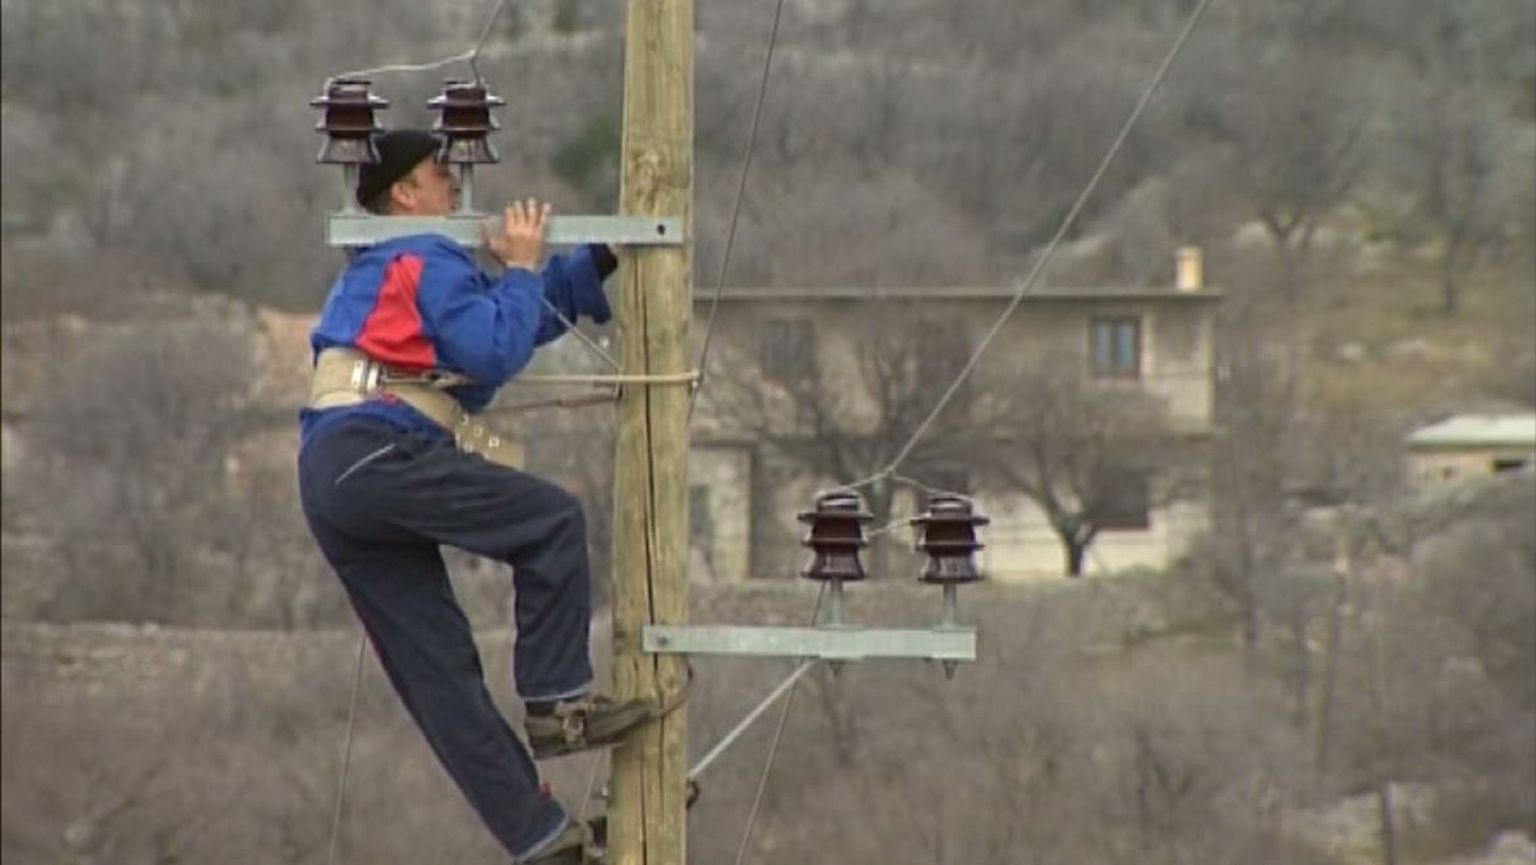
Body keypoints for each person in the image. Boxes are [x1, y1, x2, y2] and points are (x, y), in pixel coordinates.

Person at [297, 129, 649, 864]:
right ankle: (558, 703)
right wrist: (518, 266)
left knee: (439, 674)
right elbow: (492, 349)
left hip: (335, 472)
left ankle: (539, 835)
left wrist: (596, 260)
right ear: (404, 193)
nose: (455, 182)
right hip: (378, 448)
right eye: (440, 172)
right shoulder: (419, 254)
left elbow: (508, 320)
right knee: (551, 522)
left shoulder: (396, 268)